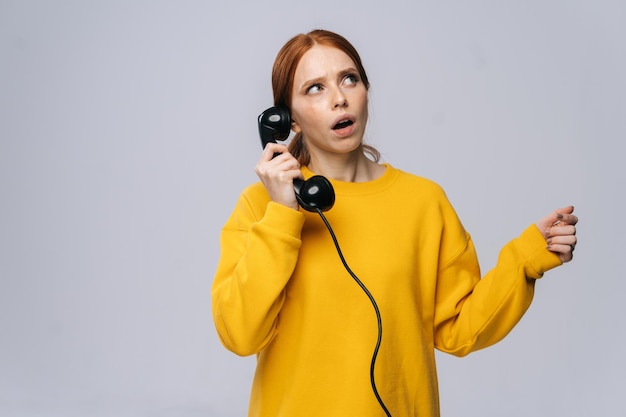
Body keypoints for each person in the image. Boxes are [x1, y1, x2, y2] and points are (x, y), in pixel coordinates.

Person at [211, 29, 578, 417]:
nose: (339, 98)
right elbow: (239, 334)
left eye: (348, 79)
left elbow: (458, 329)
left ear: (366, 90)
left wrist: (528, 257)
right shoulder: (260, 206)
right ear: (288, 121)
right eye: (315, 88)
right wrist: (283, 215)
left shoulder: (423, 202)